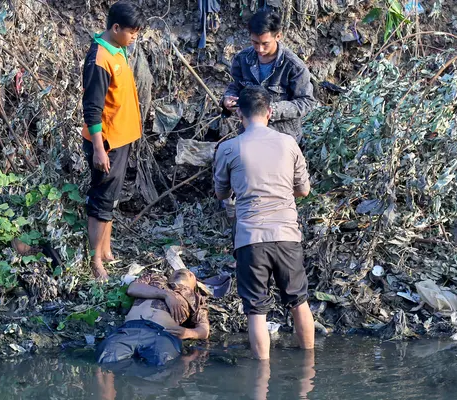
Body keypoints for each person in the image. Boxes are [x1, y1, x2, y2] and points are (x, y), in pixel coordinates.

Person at [213, 86, 315, 360]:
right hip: (286, 235)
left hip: (250, 239)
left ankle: (262, 377)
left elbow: (221, 193)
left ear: (239, 115)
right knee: (298, 301)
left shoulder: (228, 148)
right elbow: (303, 190)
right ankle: (309, 370)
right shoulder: (288, 143)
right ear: (270, 112)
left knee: (256, 310)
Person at [81, 1, 144, 280]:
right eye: (131, 32)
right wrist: (98, 148)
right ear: (115, 28)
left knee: (111, 198)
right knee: (102, 199)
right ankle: (96, 262)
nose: (135, 38)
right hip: (106, 143)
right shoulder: (99, 59)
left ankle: (106, 250)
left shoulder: (118, 49)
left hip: (122, 138)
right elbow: (92, 108)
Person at [222, 9, 317, 143]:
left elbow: (306, 102)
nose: (260, 49)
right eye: (255, 42)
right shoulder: (242, 59)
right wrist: (228, 100)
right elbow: (236, 86)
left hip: (282, 137)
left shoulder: (293, 66)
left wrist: (271, 110)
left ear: (278, 36)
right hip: (249, 136)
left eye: (265, 43)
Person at [95, 269, 210, 366]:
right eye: (178, 270)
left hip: (163, 334)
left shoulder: (196, 298)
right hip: (129, 329)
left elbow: (204, 330)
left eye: (190, 273)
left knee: (163, 367)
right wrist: (165, 294)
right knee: (106, 360)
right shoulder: (155, 278)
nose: (183, 271)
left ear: (194, 284)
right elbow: (132, 289)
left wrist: (188, 333)